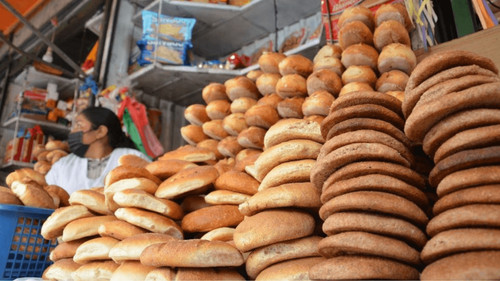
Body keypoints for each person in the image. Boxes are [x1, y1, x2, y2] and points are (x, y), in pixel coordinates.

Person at [45, 107, 150, 194]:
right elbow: (46, 196)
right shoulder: (63, 165)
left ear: (100, 131)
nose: (73, 132)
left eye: (79, 125)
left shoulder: (133, 158)